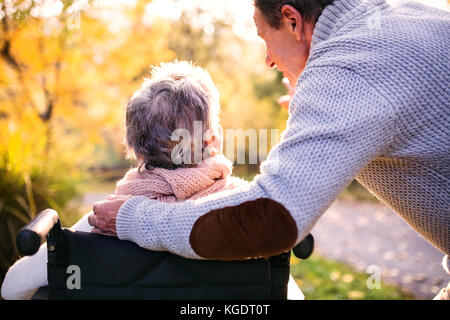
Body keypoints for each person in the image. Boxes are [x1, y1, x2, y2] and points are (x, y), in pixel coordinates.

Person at [90, 0, 450, 299]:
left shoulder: (346, 71)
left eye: (265, 37)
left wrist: (133, 217)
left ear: (292, 20)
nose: (268, 60)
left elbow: (269, 219)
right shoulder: (413, 15)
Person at [1, 61, 304, 300]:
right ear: (214, 139)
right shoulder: (247, 212)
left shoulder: (104, 221)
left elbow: (11, 288)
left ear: (135, 144)